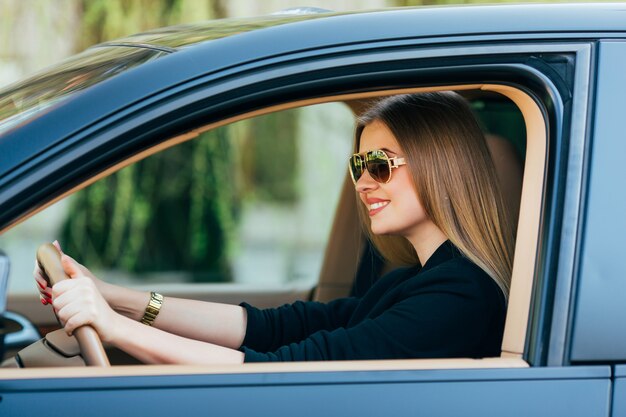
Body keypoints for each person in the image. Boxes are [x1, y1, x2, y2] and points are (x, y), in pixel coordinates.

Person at [34, 91, 514, 364]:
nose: (365, 181)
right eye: (358, 165)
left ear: (439, 166)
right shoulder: (415, 280)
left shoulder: (459, 296)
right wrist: (113, 295)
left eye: (381, 164)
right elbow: (269, 327)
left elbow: (281, 371)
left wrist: (116, 329)